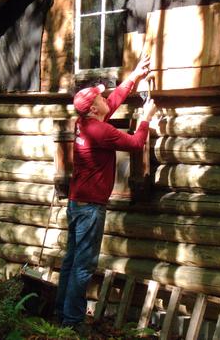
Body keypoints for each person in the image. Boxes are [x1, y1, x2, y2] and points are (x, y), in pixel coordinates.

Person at [54, 55, 157, 330]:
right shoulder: (100, 130)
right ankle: (72, 322)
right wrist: (146, 117)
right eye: (99, 96)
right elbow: (136, 144)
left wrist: (134, 76)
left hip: (77, 203)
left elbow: (111, 104)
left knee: (70, 261)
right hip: (89, 208)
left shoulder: (84, 123)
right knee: (83, 266)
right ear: (92, 108)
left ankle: (60, 313)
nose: (104, 97)